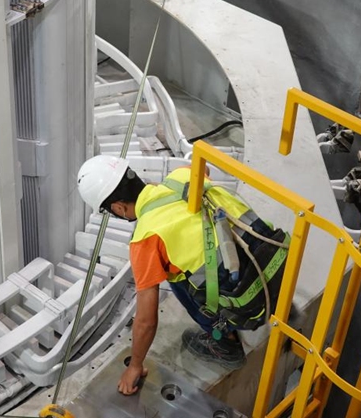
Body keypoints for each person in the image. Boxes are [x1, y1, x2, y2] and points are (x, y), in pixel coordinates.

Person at [77, 155, 289, 396]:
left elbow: (146, 320)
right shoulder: (182, 175)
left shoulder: (146, 238)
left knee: (174, 275)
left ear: (118, 208)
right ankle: (276, 300)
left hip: (250, 303)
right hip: (278, 266)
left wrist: (135, 365)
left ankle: (226, 344)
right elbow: (204, 167)